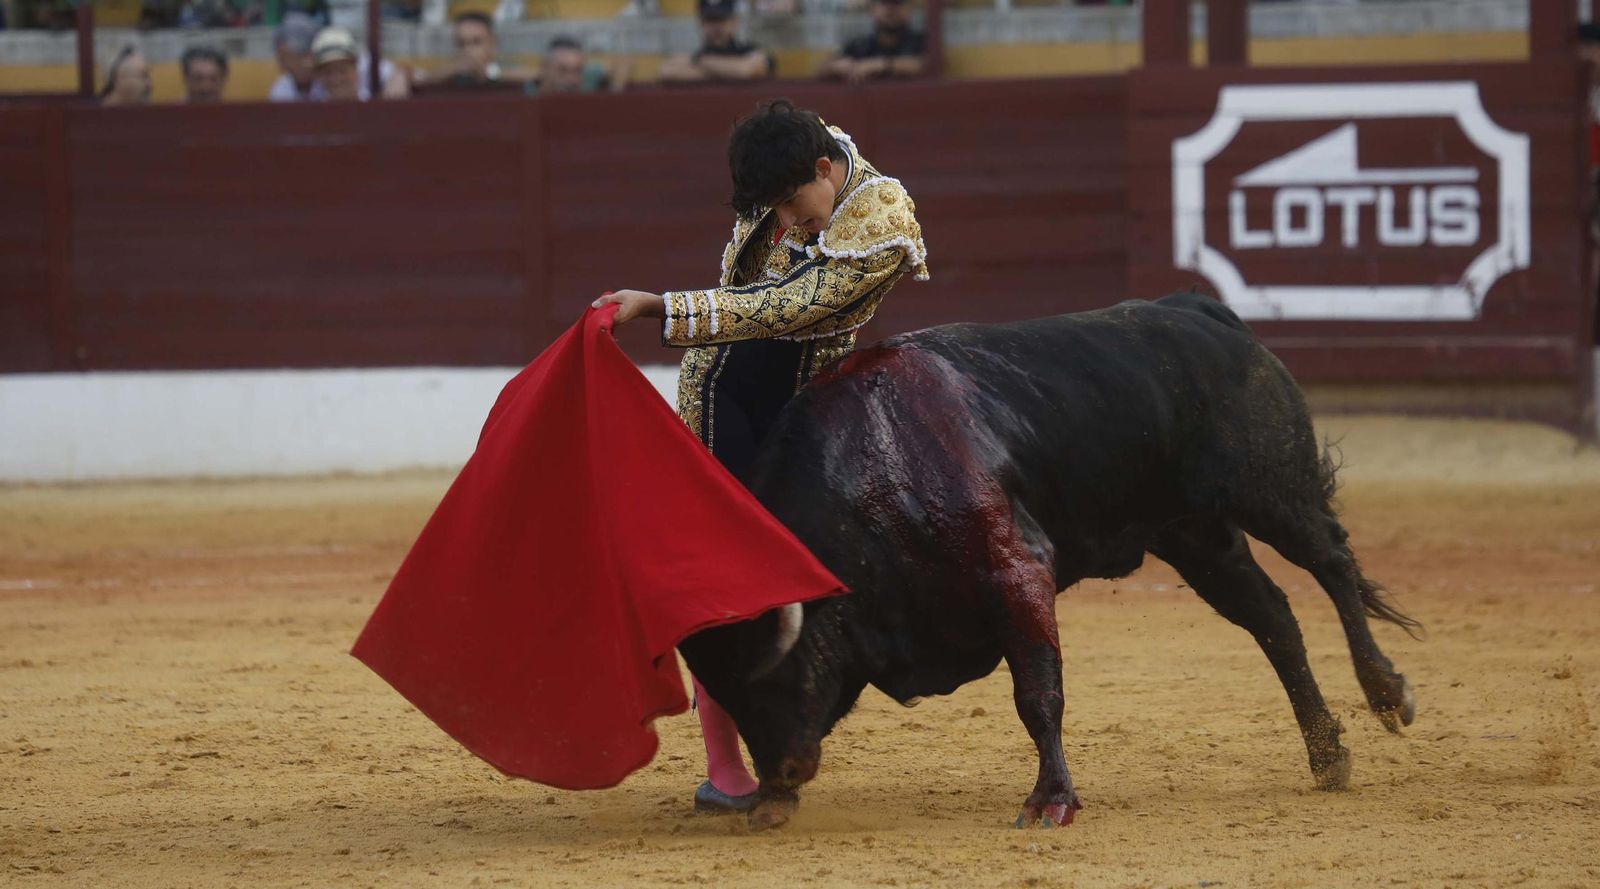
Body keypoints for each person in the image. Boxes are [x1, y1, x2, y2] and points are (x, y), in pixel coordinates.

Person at [592, 99, 928, 814]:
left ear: (824, 168)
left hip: (812, 409)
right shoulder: (792, 169)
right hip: (726, 395)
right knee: (720, 574)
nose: (786, 220)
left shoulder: (882, 217)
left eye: (793, 203)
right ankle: (728, 767)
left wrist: (661, 307)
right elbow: (745, 302)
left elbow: (790, 306)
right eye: (771, 207)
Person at [657, 0, 773, 85]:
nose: (716, 26)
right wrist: (729, 70)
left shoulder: (750, 51)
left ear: (734, 21)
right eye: (710, 20)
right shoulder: (697, 55)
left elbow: (746, 70)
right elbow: (667, 71)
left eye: (721, 19)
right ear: (701, 23)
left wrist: (699, 61)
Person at [820, 0, 925, 83]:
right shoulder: (860, 44)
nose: (891, 9)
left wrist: (878, 65)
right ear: (872, 8)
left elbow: (925, 65)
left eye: (897, 3)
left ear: (909, 9)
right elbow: (822, 69)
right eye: (884, 3)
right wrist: (835, 67)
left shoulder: (922, 41)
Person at [438, 11, 534, 91]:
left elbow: (540, 77)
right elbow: (424, 78)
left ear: (493, 44)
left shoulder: (508, 73)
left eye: (476, 42)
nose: (468, 50)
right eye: (461, 44)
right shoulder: (447, 79)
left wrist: (490, 73)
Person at [309, 27, 411, 101]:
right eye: (328, 72)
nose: (336, 79)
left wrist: (400, 75)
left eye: (342, 70)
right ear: (319, 76)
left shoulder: (372, 107)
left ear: (355, 68)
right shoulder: (313, 111)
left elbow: (413, 73)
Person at [534, 36, 626, 94]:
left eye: (578, 70)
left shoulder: (590, 74)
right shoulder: (529, 90)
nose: (572, 79)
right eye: (562, 70)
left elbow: (623, 62)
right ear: (545, 68)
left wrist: (616, 89)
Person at [269, 13, 321, 102]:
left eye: (285, 56)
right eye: (280, 57)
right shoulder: (281, 89)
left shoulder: (330, 82)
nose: (282, 63)